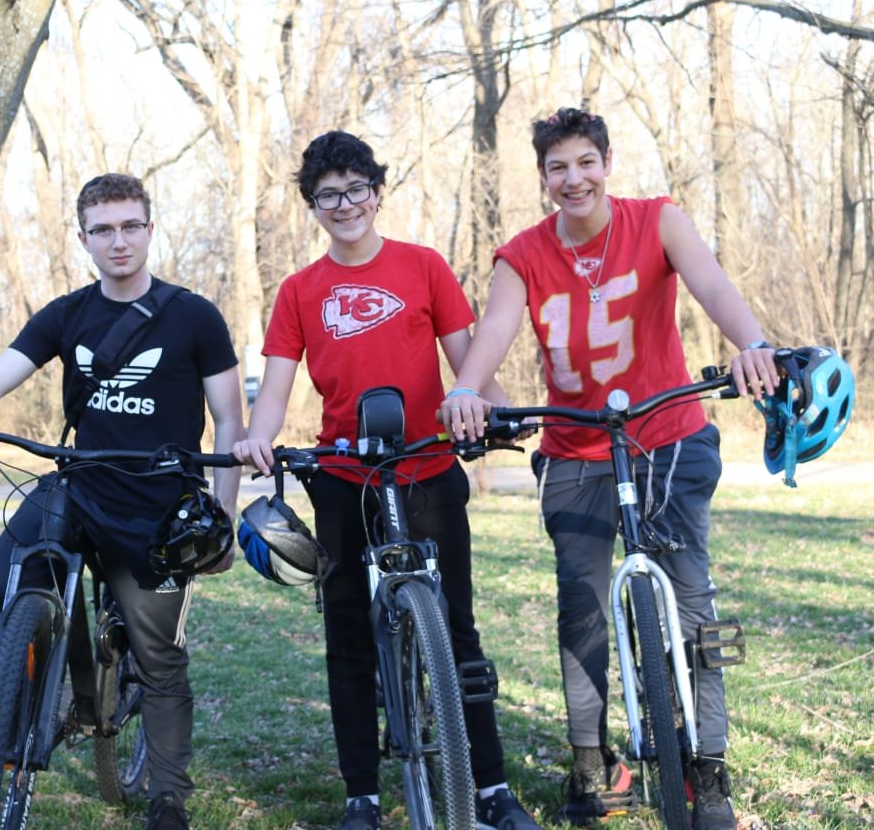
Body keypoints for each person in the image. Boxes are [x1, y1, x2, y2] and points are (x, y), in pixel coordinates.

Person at [440, 107, 779, 830]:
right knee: (582, 609)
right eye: (557, 167)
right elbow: (496, 328)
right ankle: (592, 763)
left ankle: (708, 767)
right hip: (575, 448)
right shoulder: (520, 256)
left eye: (585, 162)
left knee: (694, 605)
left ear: (607, 162)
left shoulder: (657, 221)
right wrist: (467, 388)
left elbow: (713, 285)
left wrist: (752, 343)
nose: (574, 179)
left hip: (670, 437)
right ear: (543, 177)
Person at [0, 172, 243, 830]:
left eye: (130, 226)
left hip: (158, 509)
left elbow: (229, 420)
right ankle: (28, 701)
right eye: (103, 230)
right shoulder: (66, 314)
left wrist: (219, 519)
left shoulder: (194, 316)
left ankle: (168, 799)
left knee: (159, 660)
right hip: (79, 487)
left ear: (150, 228)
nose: (119, 241)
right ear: (83, 239)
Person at [233, 131, 541, 830]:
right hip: (343, 476)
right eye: (328, 195)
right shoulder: (299, 291)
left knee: (457, 629)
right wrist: (257, 436)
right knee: (348, 635)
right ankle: (362, 796)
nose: (344, 205)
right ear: (313, 206)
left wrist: (498, 411)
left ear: (377, 192)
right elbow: (276, 388)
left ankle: (491, 788)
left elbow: (468, 363)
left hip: (426, 466)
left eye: (356, 189)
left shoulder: (423, 266)